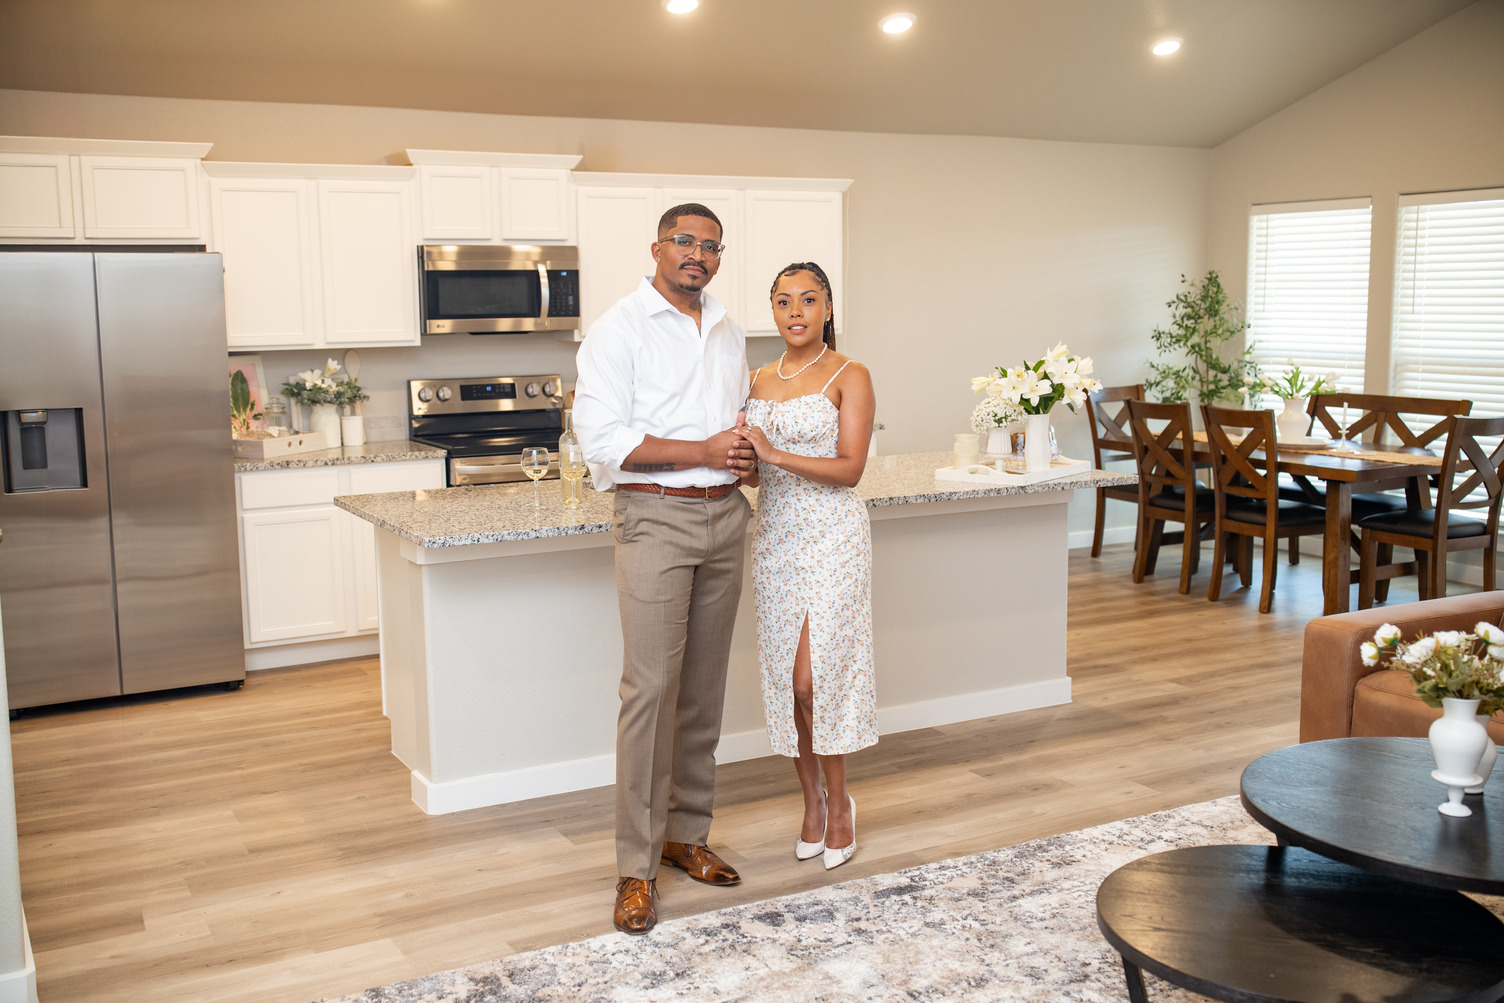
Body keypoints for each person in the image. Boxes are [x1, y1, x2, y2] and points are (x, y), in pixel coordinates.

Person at [572, 203, 755, 936]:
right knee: (649, 691)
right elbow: (604, 443)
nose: (698, 255)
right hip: (653, 516)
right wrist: (703, 451)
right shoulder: (619, 328)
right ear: (657, 247)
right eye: (685, 241)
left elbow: (733, 417)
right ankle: (634, 866)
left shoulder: (729, 328)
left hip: (726, 514)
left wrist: (740, 451)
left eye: (711, 246)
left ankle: (686, 833)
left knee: (703, 690)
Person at [736, 261, 877, 871]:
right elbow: (753, 471)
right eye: (784, 301)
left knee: (813, 680)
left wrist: (772, 451)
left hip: (834, 534)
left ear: (826, 309)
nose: (796, 312)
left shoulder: (851, 375)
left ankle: (841, 800)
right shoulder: (755, 379)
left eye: (808, 300)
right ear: (772, 312)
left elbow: (850, 469)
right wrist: (746, 463)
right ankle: (811, 804)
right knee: (784, 684)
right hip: (775, 535)